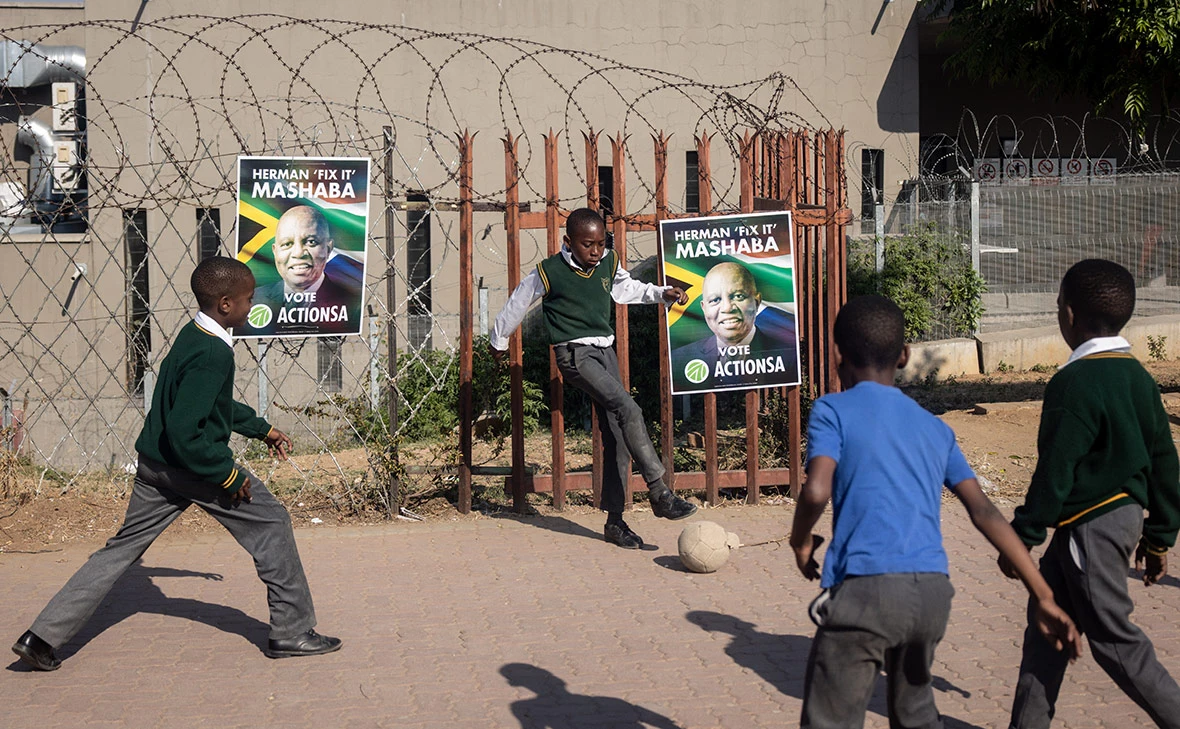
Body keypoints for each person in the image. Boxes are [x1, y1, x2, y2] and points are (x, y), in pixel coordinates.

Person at [11, 257, 341, 671]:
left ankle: (40, 637)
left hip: (155, 464)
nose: (251, 305)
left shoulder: (194, 333)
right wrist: (228, 474)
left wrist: (262, 429)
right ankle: (292, 632)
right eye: (247, 299)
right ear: (225, 304)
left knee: (119, 551)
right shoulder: (212, 353)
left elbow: (209, 405)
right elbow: (188, 433)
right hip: (191, 467)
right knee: (271, 522)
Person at [789, 294, 1081, 729]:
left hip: (865, 590)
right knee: (916, 714)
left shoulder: (832, 410)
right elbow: (984, 512)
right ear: (905, 355)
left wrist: (800, 540)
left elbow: (815, 490)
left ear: (837, 357)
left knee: (830, 719)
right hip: (930, 595)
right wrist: (1042, 594)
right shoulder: (934, 427)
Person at [1001, 258, 1180, 729]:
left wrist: (1022, 537)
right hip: (1112, 524)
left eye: (1059, 303)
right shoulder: (1139, 378)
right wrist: (1160, 537)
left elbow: (1055, 471)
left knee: (1115, 642)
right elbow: (1164, 461)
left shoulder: (1073, 383)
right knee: (1046, 629)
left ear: (1070, 315)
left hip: (1092, 530)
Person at [490, 208, 698, 549]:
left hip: (605, 354)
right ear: (569, 242)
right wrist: (499, 341)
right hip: (574, 356)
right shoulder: (550, 271)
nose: (595, 251)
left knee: (617, 434)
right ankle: (660, 493)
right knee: (628, 408)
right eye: (588, 245)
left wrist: (662, 293)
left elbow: (625, 289)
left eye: (601, 244)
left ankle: (615, 523)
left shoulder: (607, 262)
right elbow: (519, 301)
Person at [670, 261, 798, 391]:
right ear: (704, 308)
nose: (727, 308)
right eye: (715, 300)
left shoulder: (789, 356)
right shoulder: (679, 360)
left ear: (757, 301)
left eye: (738, 296)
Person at [243, 204, 363, 336]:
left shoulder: (352, 304)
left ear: (328, 249)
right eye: (287, 244)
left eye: (311, 242)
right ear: (275, 251)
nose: (298, 253)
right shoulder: (253, 301)